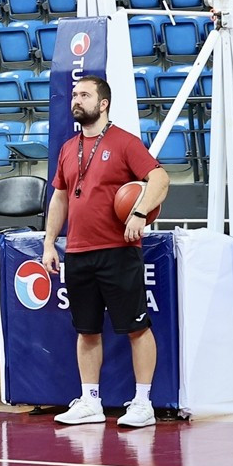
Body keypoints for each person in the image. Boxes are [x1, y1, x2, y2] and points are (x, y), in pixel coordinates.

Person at [42, 75, 169, 429]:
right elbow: (61, 196)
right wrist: (50, 242)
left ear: (103, 103)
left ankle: (143, 403)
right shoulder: (68, 148)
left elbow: (160, 179)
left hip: (118, 251)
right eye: (74, 94)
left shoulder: (125, 142)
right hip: (78, 252)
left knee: (137, 328)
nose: (76, 99)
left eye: (84, 94)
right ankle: (90, 401)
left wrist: (140, 212)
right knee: (86, 330)